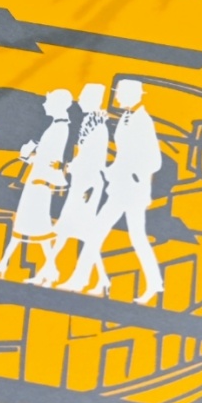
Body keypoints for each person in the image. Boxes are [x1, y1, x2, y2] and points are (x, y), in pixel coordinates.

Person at [59, 78, 165, 304]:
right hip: (120, 188)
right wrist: (111, 171)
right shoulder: (127, 117)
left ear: (132, 95)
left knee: (136, 237)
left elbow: (154, 160)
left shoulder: (142, 121)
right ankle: (80, 279)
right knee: (98, 232)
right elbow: (124, 155)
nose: (116, 97)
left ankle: (154, 283)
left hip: (132, 190)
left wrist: (134, 175)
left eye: (119, 93)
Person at [0, 88, 72, 282]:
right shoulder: (55, 126)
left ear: (57, 105)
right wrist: (29, 156)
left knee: (30, 225)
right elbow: (46, 159)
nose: (44, 105)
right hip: (37, 180)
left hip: (39, 182)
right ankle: (47, 269)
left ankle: (3, 267)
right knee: (31, 225)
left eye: (48, 101)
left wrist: (28, 156)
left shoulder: (59, 129)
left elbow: (51, 161)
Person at [32, 82, 110, 290]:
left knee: (75, 231)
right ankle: (50, 272)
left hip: (87, 186)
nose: (80, 100)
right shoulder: (90, 123)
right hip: (82, 182)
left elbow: (94, 160)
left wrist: (68, 167)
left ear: (92, 100)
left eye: (83, 97)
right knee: (69, 230)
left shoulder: (98, 128)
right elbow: (84, 156)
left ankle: (52, 272)